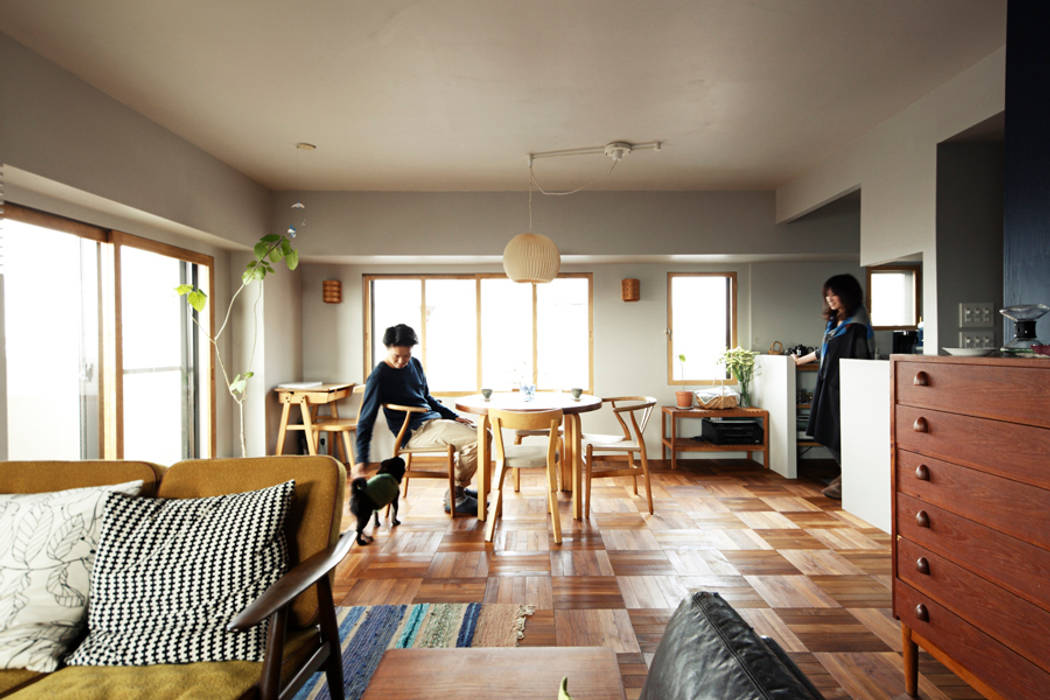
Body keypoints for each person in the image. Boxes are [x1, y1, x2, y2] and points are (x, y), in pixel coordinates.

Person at [354, 323, 480, 515]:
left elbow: (426, 398)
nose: (401, 361)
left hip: (433, 422)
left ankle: (458, 490)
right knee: (478, 439)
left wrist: (454, 416)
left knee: (482, 433)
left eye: (407, 356)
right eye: (397, 356)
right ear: (387, 349)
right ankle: (456, 495)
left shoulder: (414, 364)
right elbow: (365, 420)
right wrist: (360, 460)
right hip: (413, 431)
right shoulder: (379, 376)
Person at [793, 274, 874, 500]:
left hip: (844, 389)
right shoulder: (836, 321)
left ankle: (850, 477)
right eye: (827, 295)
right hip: (828, 384)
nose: (830, 299)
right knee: (823, 429)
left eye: (834, 294)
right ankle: (847, 475)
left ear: (847, 294)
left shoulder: (856, 325)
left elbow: (859, 360)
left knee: (838, 432)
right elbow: (824, 350)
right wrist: (801, 360)